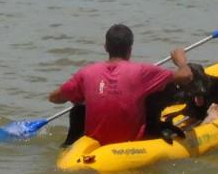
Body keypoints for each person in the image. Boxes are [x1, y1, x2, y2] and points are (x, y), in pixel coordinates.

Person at [48, 23, 193, 147]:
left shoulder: (86, 73)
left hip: (96, 145)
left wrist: (83, 95)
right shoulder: (142, 71)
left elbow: (54, 98)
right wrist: (180, 60)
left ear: (105, 47)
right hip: (129, 145)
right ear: (130, 49)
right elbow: (186, 76)